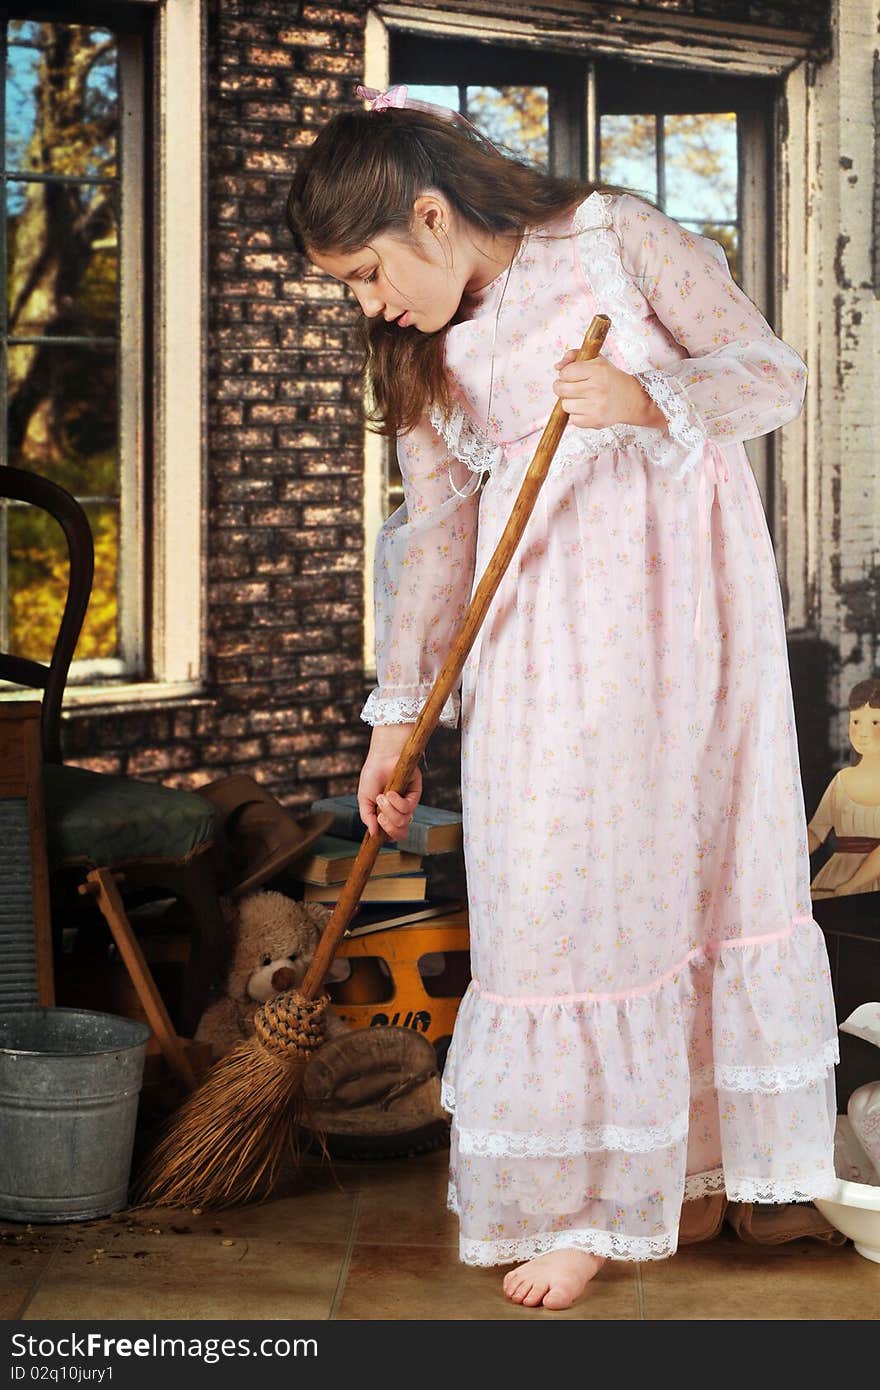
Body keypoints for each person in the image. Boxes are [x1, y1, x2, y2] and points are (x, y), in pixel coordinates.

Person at [286, 84, 839, 1311]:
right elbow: (434, 535)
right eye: (348, 290)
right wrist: (394, 721)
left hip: (689, 630)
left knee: (690, 872)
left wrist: (649, 401)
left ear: (429, 216)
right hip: (546, 648)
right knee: (563, 899)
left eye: (367, 272)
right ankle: (591, 1199)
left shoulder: (613, 238)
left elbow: (771, 375)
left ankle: (684, 1179)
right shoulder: (424, 349)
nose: (368, 304)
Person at [807, 677, 880, 898]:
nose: (862, 732)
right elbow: (816, 832)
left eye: (875, 722)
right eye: (856, 722)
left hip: (863, 886)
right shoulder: (842, 779)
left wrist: (849, 886)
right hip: (834, 880)